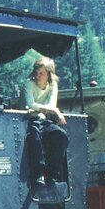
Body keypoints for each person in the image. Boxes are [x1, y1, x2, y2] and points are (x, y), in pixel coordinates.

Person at [23, 56, 67, 186]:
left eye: (41, 73)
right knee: (35, 134)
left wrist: (52, 110)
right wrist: (55, 111)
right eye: (36, 73)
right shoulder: (28, 84)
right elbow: (31, 104)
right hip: (28, 119)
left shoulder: (53, 86)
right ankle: (39, 172)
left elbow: (51, 105)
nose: (38, 76)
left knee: (60, 136)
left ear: (49, 74)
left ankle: (52, 173)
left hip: (43, 119)